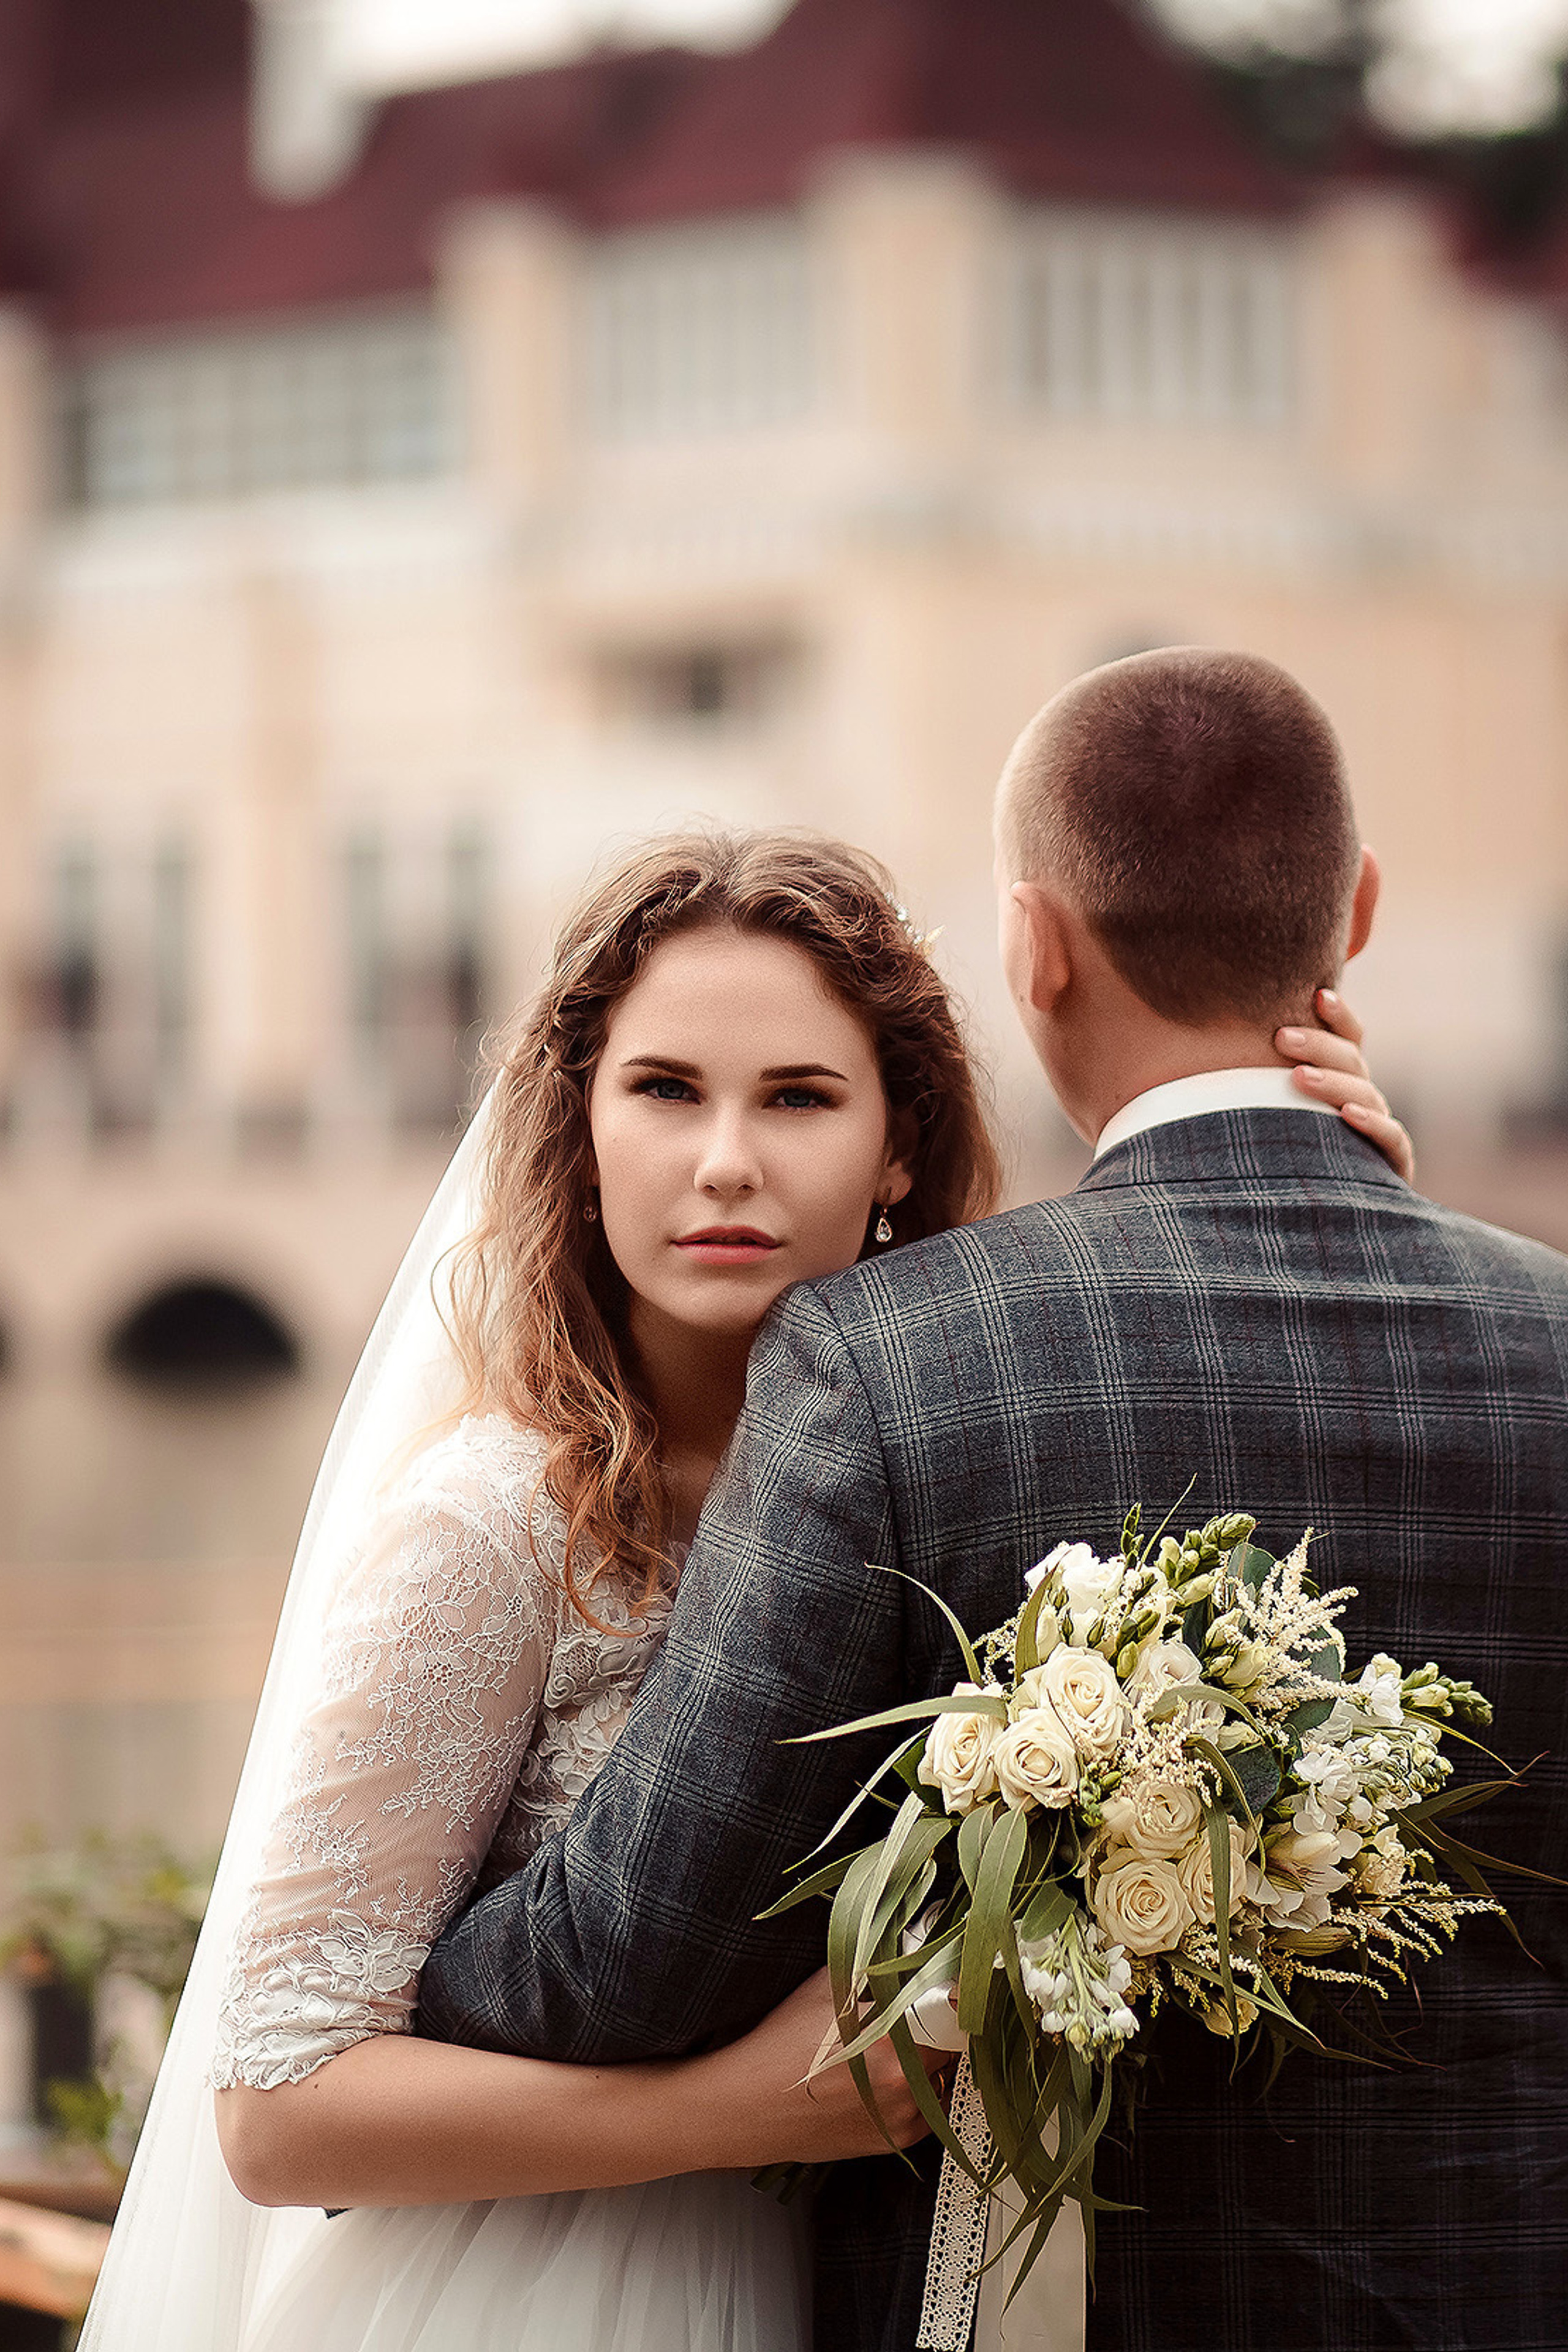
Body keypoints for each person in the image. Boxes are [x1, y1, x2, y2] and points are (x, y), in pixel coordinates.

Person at [77, 818, 1400, 2352]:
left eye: (796, 1097)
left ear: (895, 1143)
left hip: (868, 2286)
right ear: (579, 1128)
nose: (724, 1163)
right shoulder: (490, 1525)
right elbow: (277, 2111)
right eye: (662, 1090)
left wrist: (1343, 1202)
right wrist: (732, 2110)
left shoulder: (960, 1469)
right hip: (538, 2296)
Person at [418, 651, 1568, 2352]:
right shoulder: (1549, 1341)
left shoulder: (890, 1360)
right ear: (1358, 912)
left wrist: (385, 1985)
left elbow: (628, 1959)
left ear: (1032, 945)